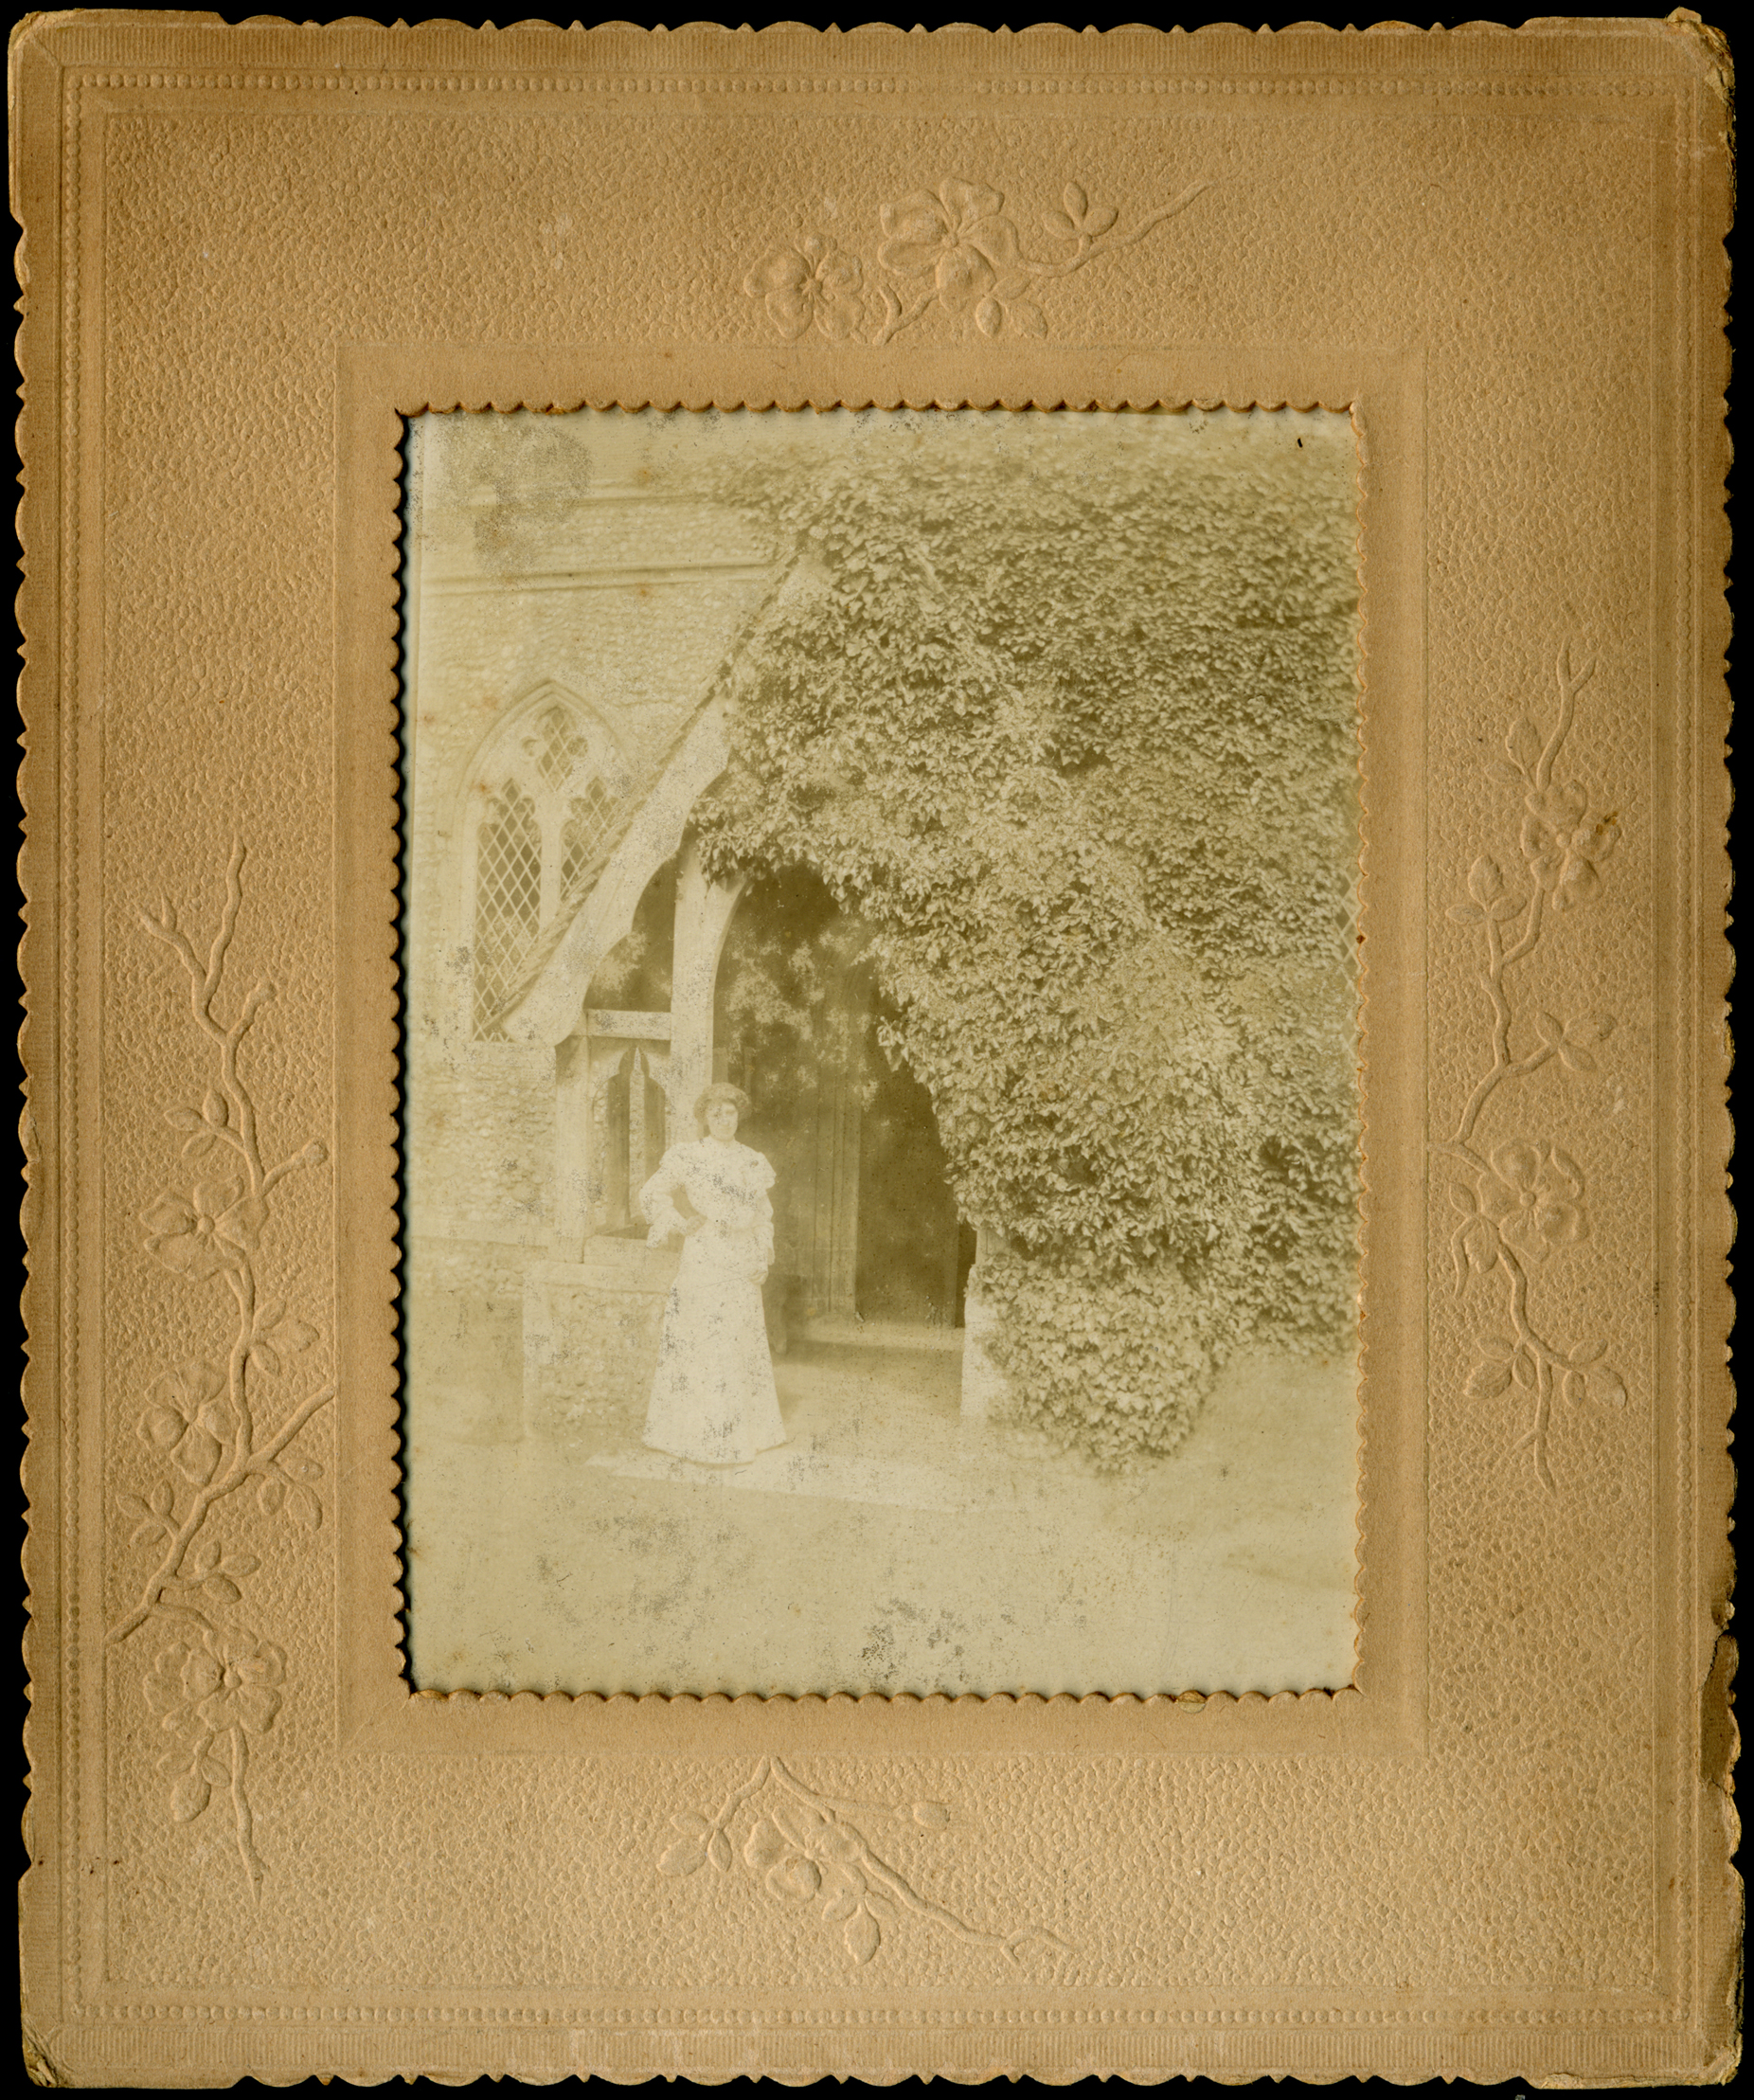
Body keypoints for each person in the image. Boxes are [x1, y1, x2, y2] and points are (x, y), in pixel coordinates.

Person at [637, 1083, 787, 1466]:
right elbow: (652, 1194)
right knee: (703, 1342)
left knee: (736, 1341)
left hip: (741, 1260)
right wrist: (677, 1221)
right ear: (704, 1118)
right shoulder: (689, 1156)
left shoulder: (752, 1161)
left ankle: (742, 1436)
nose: (723, 1120)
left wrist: (762, 1257)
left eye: (730, 1112)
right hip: (704, 1257)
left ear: (739, 1115)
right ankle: (696, 1438)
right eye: (715, 1113)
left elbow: (763, 1217)